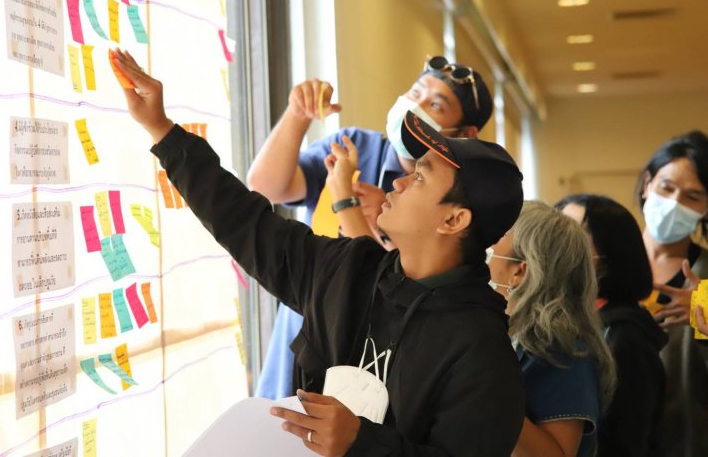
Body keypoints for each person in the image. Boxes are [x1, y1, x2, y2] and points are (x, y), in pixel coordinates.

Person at [111, 49, 525, 455]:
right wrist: (163, 131)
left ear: (454, 221)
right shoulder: (349, 270)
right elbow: (244, 220)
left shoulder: (482, 352)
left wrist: (362, 443)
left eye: (420, 179)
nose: (399, 183)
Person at [247, 56, 494, 399]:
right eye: (415, 92)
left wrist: (385, 224)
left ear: (465, 134)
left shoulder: (452, 197)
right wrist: (297, 115)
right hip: (301, 329)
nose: (415, 107)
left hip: (370, 361)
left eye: (435, 105)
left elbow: (415, 289)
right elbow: (265, 188)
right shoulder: (357, 149)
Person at [486, 201, 616, 457]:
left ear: (520, 272)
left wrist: (483, 389)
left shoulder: (561, 349)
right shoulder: (503, 333)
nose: (483, 249)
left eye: (496, 239)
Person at [556, 194, 668, 457]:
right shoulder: (570, 319)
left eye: (572, 233)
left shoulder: (626, 336)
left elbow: (624, 442)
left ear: (609, 255)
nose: (556, 243)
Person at [635, 130, 708, 457]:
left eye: (692, 197)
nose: (674, 203)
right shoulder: (598, 263)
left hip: (682, 438)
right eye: (666, 188)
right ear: (648, 183)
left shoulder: (705, 274)